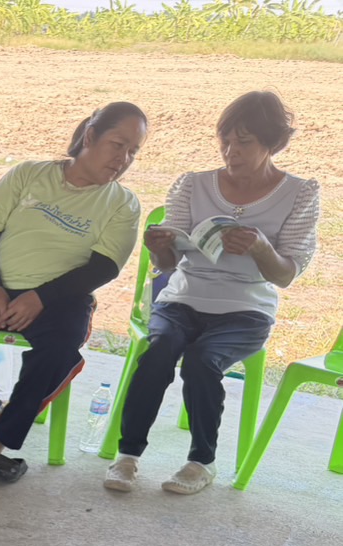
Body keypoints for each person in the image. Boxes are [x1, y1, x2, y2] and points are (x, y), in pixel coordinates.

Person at [105, 92, 320, 495]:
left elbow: (286, 275)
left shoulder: (301, 193)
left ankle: (201, 462)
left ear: (273, 143)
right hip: (182, 298)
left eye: (244, 142)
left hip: (247, 309)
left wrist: (260, 248)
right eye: (225, 140)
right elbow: (169, 264)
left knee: (203, 360)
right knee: (158, 351)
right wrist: (159, 247)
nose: (230, 151)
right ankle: (127, 456)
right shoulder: (193, 184)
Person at [0, 102, 146, 483]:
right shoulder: (28, 174)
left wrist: (40, 297)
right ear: (90, 136)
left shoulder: (122, 203)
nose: (123, 159)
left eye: (133, 152)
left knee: (60, 348)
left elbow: (104, 266)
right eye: (117, 145)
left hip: (61, 300)